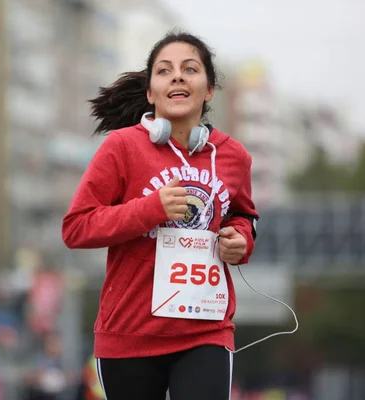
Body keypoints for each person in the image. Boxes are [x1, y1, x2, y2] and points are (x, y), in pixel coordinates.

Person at [62, 30, 259, 400]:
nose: (178, 77)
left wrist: (241, 239)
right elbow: (76, 228)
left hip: (205, 329)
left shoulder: (234, 156)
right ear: (151, 93)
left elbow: (244, 217)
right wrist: (151, 209)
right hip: (129, 334)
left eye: (190, 69)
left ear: (210, 88)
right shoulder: (122, 147)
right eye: (165, 71)